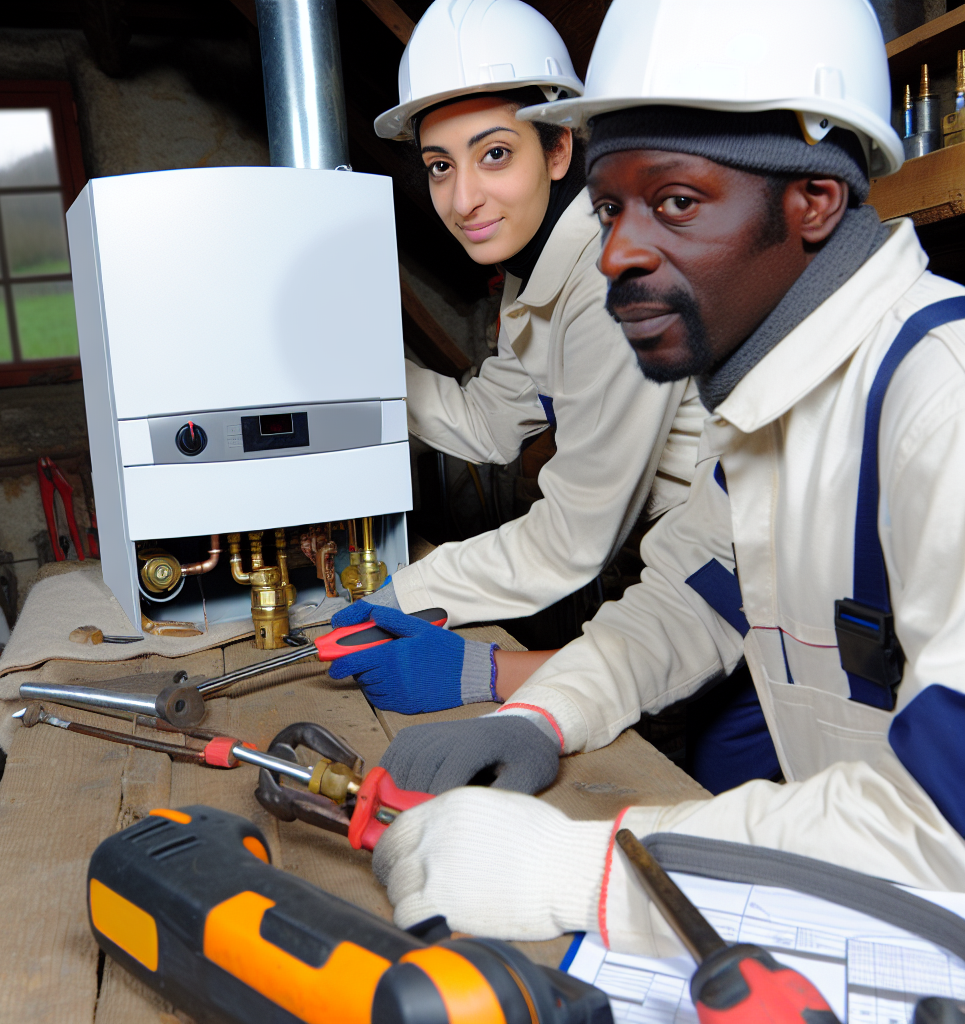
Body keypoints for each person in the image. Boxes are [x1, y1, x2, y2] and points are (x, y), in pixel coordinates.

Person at [367, 0, 965, 952]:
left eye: (675, 202)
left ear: (812, 201)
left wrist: (578, 868)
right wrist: (541, 715)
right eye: (611, 210)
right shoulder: (775, 406)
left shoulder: (940, 402)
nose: (616, 255)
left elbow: (948, 825)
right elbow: (691, 602)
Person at [328, 0, 706, 715]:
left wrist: (400, 594)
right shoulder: (541, 277)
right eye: (441, 166)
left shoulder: (612, 280)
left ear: (559, 149)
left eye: (494, 153)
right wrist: (357, 370)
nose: (463, 198)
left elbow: (572, 538)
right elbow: (488, 421)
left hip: (743, 593)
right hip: (680, 589)